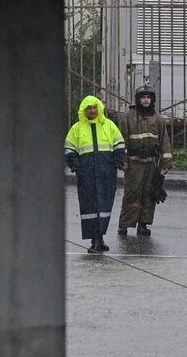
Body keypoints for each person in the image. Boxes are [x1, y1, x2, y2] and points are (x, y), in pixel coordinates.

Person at [65, 95, 126, 253]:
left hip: (106, 173)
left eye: (94, 107)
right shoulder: (77, 128)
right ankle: (95, 240)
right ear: (83, 111)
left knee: (105, 205)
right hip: (87, 175)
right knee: (90, 206)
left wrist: (117, 162)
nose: (92, 111)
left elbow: (119, 144)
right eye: (89, 108)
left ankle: (100, 237)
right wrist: (77, 166)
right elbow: (69, 149)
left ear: (99, 108)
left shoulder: (109, 125)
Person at [117, 83, 173, 236]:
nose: (146, 100)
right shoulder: (127, 118)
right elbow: (121, 141)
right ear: (138, 99)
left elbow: (164, 141)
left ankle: (143, 224)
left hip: (151, 164)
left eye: (149, 97)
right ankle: (125, 225)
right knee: (132, 194)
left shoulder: (158, 119)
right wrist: (123, 160)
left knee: (149, 194)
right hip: (134, 164)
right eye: (143, 97)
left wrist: (166, 162)